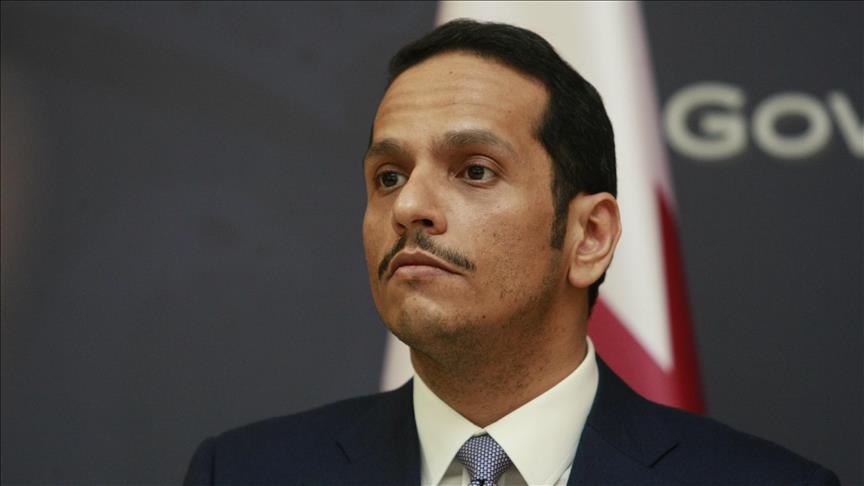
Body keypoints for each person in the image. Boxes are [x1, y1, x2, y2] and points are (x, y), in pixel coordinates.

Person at [184, 19, 838, 486]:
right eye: (388, 176)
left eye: (474, 170)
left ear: (589, 237)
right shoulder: (242, 472)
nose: (408, 206)